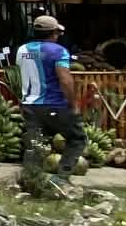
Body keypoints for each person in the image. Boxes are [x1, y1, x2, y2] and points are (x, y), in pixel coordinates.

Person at [15, 15, 85, 194]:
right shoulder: (58, 51)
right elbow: (65, 79)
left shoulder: (22, 50)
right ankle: (60, 179)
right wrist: (73, 103)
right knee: (77, 139)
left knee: (36, 144)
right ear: (53, 33)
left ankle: (30, 181)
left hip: (30, 105)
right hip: (55, 104)